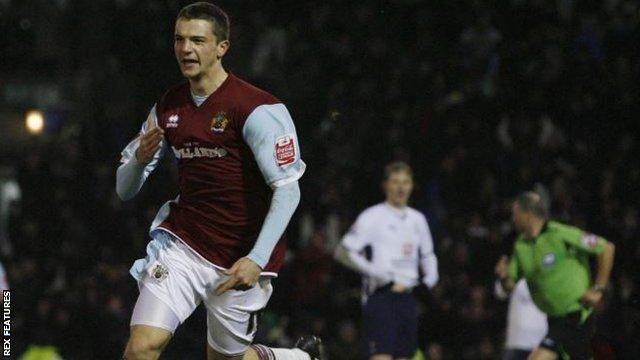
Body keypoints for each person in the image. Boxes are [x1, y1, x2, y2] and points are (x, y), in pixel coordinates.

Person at [116, 3, 320, 360]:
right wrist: (139, 159)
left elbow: (288, 190)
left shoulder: (258, 109)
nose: (185, 49)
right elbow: (124, 189)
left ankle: (296, 358)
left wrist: (256, 259)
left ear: (221, 47)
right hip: (184, 246)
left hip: (241, 257)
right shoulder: (168, 107)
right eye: (179, 39)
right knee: (140, 349)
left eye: (197, 40)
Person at [334, 162, 439, 360]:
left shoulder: (418, 220)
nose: (401, 187)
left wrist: (429, 282)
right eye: (395, 182)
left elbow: (428, 255)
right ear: (386, 185)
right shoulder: (372, 216)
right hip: (381, 298)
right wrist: (377, 273)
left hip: (408, 299)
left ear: (412, 185)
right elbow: (343, 251)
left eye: (406, 182)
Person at [495, 191, 615, 360]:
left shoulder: (559, 233)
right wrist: (503, 276)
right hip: (554, 320)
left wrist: (598, 289)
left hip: (576, 313)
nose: (513, 219)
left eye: (515, 214)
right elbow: (509, 286)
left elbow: (606, 248)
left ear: (528, 213)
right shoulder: (521, 246)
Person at [494, 277, 547, 360]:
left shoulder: (556, 267)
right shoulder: (515, 266)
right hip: (518, 340)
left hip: (545, 340)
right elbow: (500, 292)